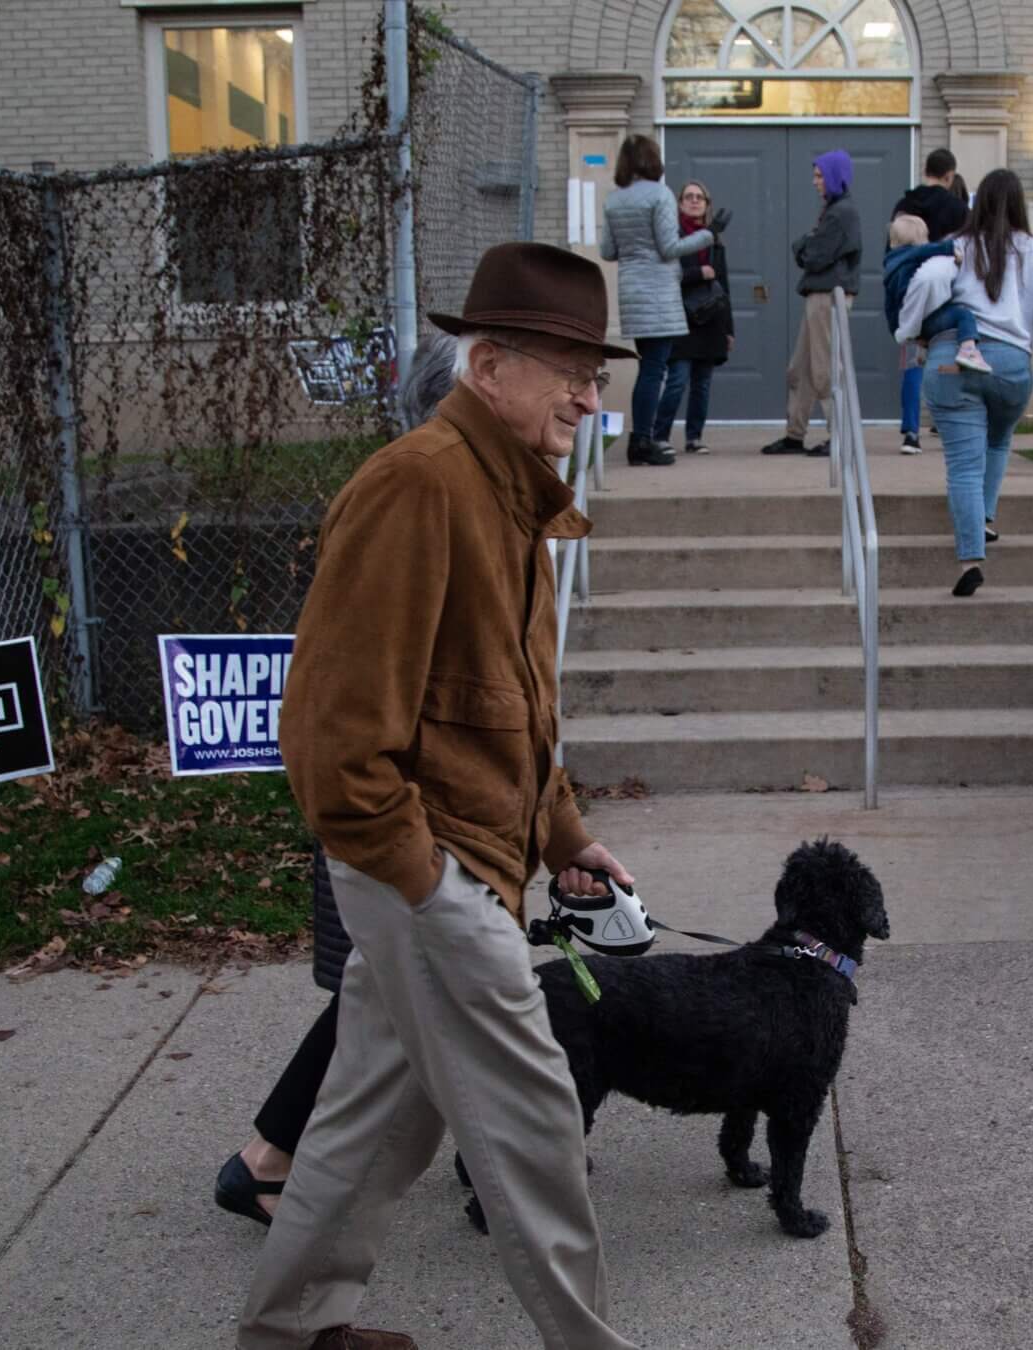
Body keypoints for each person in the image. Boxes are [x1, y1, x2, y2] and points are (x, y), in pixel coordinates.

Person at [239, 243, 642, 1350]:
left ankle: (294, 1330)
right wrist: (429, 886)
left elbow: (505, 704)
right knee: (534, 1123)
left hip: (465, 857)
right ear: (488, 364)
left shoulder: (513, 496)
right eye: (566, 365)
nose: (586, 394)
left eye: (595, 373)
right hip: (427, 869)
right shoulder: (419, 483)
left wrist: (563, 833)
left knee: (371, 1123)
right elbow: (333, 733)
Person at [214, 331, 461, 1228]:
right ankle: (282, 1171)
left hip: (440, 813)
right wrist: (400, 842)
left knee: (391, 1002)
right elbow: (351, 705)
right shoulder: (411, 497)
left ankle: (273, 1163)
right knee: (403, 996)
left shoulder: (469, 500)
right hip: (407, 817)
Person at [894, 168, 1033, 597]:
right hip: (1009, 367)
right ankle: (985, 517)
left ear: (976, 203)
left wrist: (908, 331)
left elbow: (925, 283)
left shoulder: (956, 247)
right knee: (999, 441)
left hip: (953, 361)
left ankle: (970, 559)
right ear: (1020, 205)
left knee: (964, 465)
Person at [600, 133, 712, 467]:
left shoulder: (614, 200)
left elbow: (608, 250)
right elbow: (669, 248)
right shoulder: (660, 195)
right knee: (654, 369)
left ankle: (642, 438)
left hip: (632, 290)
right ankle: (642, 441)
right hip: (658, 293)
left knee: (647, 367)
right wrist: (707, 235)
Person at [761, 149, 860, 458]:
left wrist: (803, 245)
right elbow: (813, 251)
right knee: (800, 368)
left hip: (829, 295)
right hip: (818, 294)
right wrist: (807, 245)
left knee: (826, 368)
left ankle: (840, 437)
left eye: (819, 176)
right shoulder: (833, 211)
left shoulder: (841, 213)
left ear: (834, 177)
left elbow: (815, 256)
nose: (815, 182)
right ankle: (795, 434)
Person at [890, 148, 970, 453]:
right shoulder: (957, 208)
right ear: (949, 175)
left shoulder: (903, 205)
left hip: (911, 294)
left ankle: (911, 432)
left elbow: (894, 250)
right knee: (947, 358)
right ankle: (949, 426)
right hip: (945, 293)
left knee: (912, 362)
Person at [654, 179, 733, 455]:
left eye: (700, 197)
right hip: (680, 317)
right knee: (678, 378)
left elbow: (724, 286)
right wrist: (699, 273)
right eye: (688, 196)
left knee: (703, 382)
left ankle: (694, 437)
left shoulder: (715, 241)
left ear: (707, 205)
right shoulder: (671, 238)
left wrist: (728, 329)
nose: (694, 201)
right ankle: (659, 435)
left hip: (711, 319)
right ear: (679, 203)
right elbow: (666, 276)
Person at [884, 213, 989, 376]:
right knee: (962, 315)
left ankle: (923, 351)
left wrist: (897, 331)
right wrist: (951, 249)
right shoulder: (911, 254)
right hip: (926, 317)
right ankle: (968, 350)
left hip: (910, 321)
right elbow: (927, 250)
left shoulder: (890, 265)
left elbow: (889, 308)